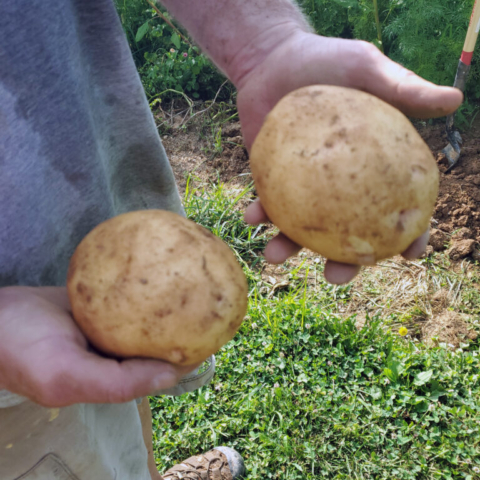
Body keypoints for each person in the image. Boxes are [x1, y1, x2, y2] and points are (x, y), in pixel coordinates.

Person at [0, 0, 462, 478]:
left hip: (91, 171)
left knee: (122, 417)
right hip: (13, 356)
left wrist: (264, 44)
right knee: (64, 451)